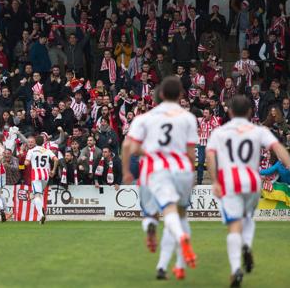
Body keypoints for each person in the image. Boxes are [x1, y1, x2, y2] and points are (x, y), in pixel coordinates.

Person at [206, 95, 290, 287]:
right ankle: (246, 245)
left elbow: (210, 157)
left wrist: (216, 181)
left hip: (230, 181)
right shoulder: (258, 130)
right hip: (252, 180)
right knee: (248, 218)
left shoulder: (219, 132)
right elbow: (279, 148)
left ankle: (236, 269)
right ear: (251, 112)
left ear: (229, 111)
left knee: (234, 225)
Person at [122, 76, 198, 279]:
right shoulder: (188, 118)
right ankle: (175, 266)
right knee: (180, 216)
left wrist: (127, 171)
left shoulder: (145, 118)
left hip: (156, 170)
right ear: (181, 95)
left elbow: (130, 146)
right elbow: (191, 153)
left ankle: (160, 232)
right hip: (182, 168)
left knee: (158, 213)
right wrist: (192, 174)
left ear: (161, 95)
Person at [24, 135, 58, 224]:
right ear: (43, 142)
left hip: (36, 175)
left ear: (35, 142)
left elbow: (26, 163)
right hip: (46, 175)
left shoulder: (31, 151)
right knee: (40, 193)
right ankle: (42, 214)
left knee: (37, 195)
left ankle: (41, 215)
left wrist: (26, 159)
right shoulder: (47, 150)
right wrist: (53, 170)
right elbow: (56, 159)